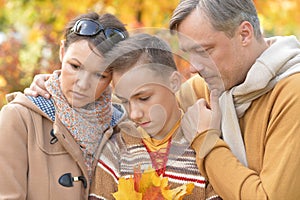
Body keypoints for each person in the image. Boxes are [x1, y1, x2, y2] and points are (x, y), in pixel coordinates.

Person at [169, 0, 300, 199]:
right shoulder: (202, 88)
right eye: (189, 53)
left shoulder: (293, 92)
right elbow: (140, 120)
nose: (193, 67)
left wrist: (205, 141)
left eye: (204, 51)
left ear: (244, 34)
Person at [0, 12, 128, 199]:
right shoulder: (18, 119)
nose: (82, 84)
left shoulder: (123, 126)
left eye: (99, 75)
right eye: (75, 67)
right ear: (62, 52)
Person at [88, 33, 221, 200]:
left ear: (174, 82)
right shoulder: (114, 152)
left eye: (144, 98)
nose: (134, 114)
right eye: (125, 102)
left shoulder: (203, 143)